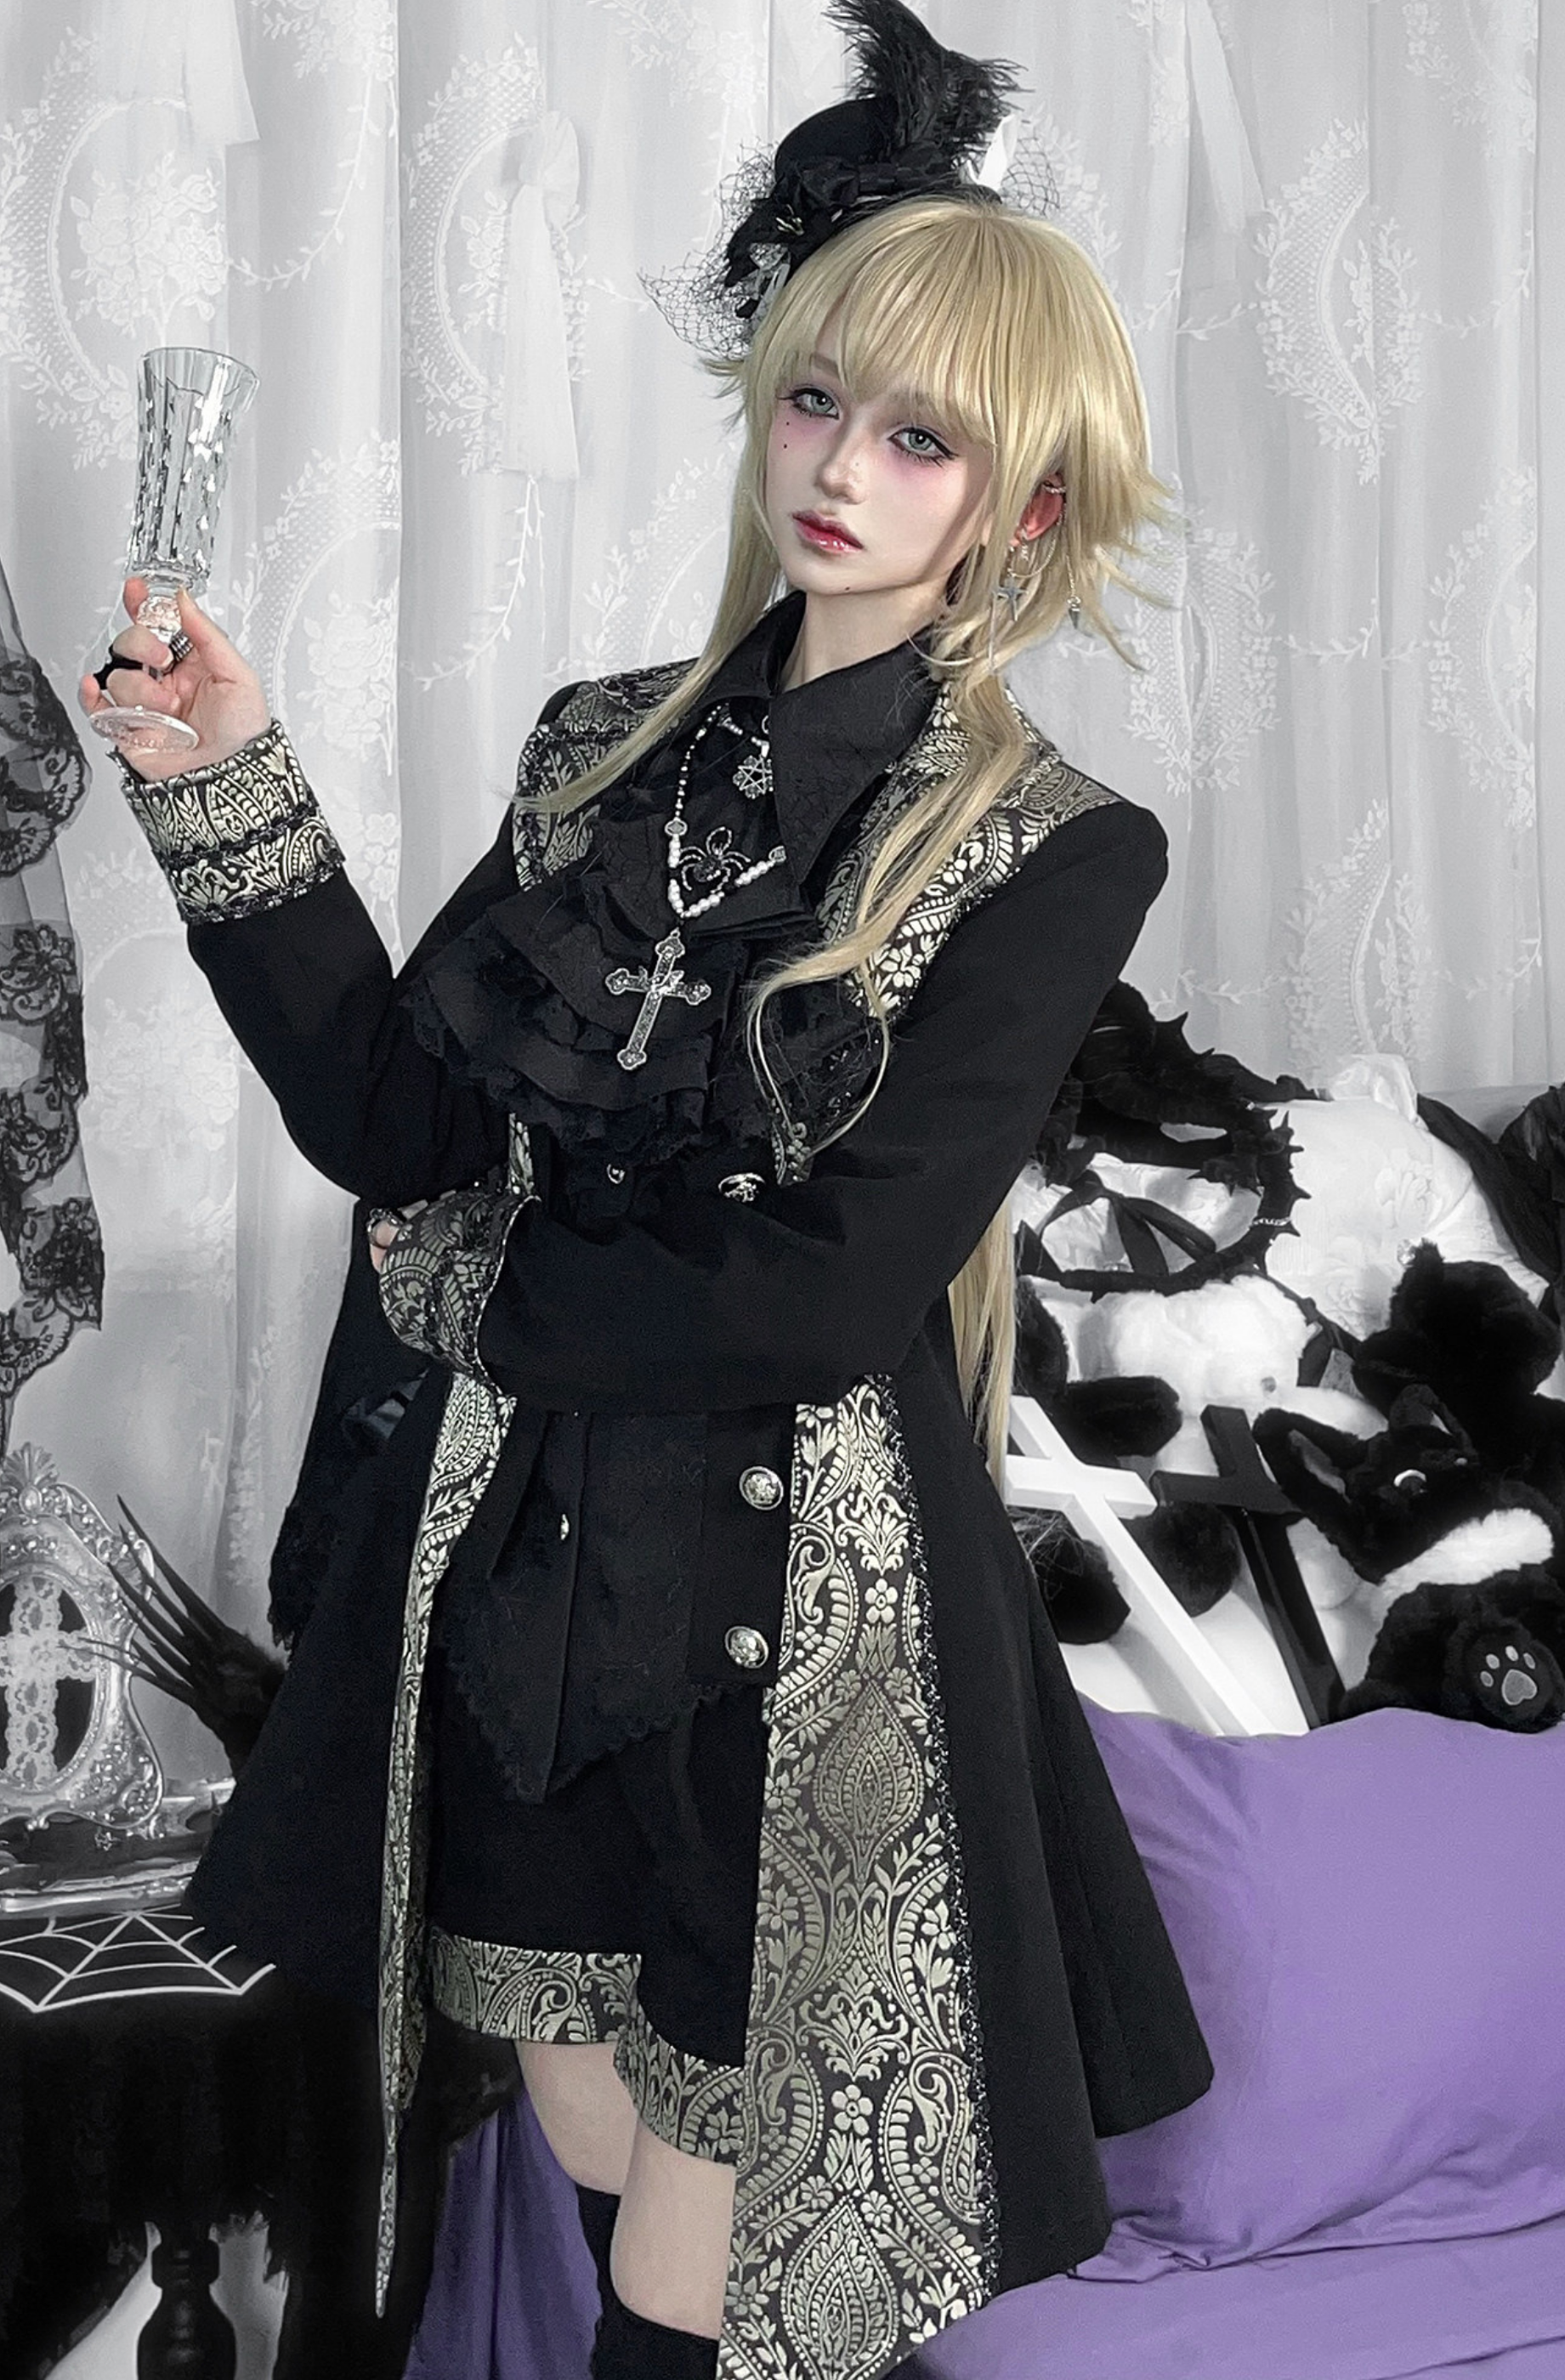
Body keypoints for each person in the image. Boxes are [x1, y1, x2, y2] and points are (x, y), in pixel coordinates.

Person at [81, 6, 1213, 2375]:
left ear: (1017, 506)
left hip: (801, 1643)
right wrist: (224, 786)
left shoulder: (1057, 846)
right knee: (598, 2139)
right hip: (522, 1592)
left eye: (921, 437)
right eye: (815, 401)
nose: (841, 469)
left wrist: (482, 1287)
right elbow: (402, 1122)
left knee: (692, 2268)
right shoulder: (601, 755)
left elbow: (825, 1287)